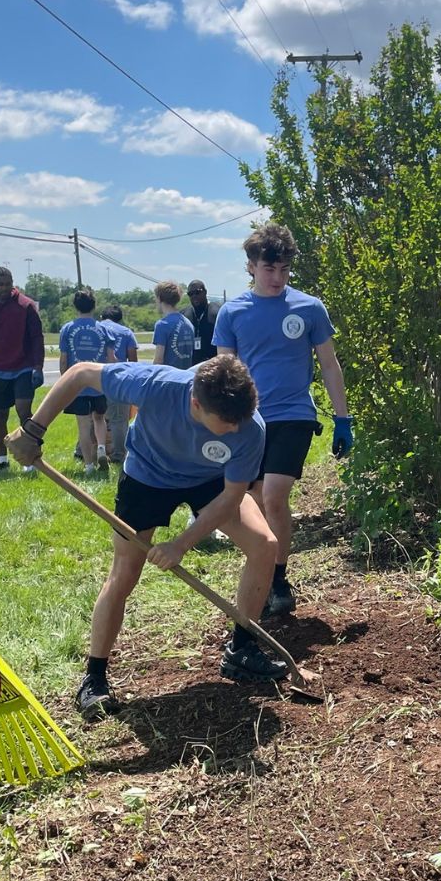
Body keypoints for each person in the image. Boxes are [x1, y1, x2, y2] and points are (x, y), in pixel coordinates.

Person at [6, 356, 285, 718]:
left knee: (265, 545)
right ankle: (94, 679)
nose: (236, 431)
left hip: (209, 481)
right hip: (147, 478)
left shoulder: (250, 426)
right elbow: (81, 374)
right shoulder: (157, 385)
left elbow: (232, 497)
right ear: (196, 404)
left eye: (240, 422)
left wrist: (181, 544)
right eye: (227, 424)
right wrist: (34, 431)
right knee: (125, 573)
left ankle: (243, 649)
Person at [214, 223, 352, 617]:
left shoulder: (309, 308)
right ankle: (265, 566)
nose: (278, 278)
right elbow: (227, 370)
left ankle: (278, 578)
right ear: (251, 267)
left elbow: (329, 363)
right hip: (249, 419)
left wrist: (343, 418)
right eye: (269, 269)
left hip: (294, 414)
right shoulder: (232, 312)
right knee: (254, 497)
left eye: (285, 270)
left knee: (273, 495)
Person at [0, 265, 45, 474]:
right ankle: (2, 461)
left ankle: (30, 460)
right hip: (0, 370)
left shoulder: (26, 306)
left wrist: (38, 366)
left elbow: (37, 337)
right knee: (0, 415)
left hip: (23, 367)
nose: (5, 288)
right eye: (0, 284)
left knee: (24, 412)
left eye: (8, 284)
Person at [59, 287, 115, 475]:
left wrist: (63, 381)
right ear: (94, 306)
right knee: (99, 418)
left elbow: (64, 358)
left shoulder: (68, 329)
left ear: (75, 306)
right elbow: (111, 358)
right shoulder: (103, 329)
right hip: (99, 381)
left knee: (83, 425)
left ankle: (89, 465)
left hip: (77, 385)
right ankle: (101, 447)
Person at [99, 304, 138, 463]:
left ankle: (84, 450)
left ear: (102, 317)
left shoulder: (96, 328)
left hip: (95, 377)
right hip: (118, 381)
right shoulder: (126, 332)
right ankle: (119, 454)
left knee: (92, 417)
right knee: (119, 420)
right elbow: (133, 362)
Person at [152, 281, 194, 370]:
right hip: (186, 376)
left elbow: (159, 360)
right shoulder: (188, 323)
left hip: (168, 378)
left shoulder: (162, 325)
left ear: (159, 298)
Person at [186, 279, 217, 365]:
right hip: (190, 367)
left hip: (213, 366)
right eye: (190, 294)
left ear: (205, 292)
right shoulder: (184, 315)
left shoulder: (217, 313)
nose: (194, 296)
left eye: (197, 292)